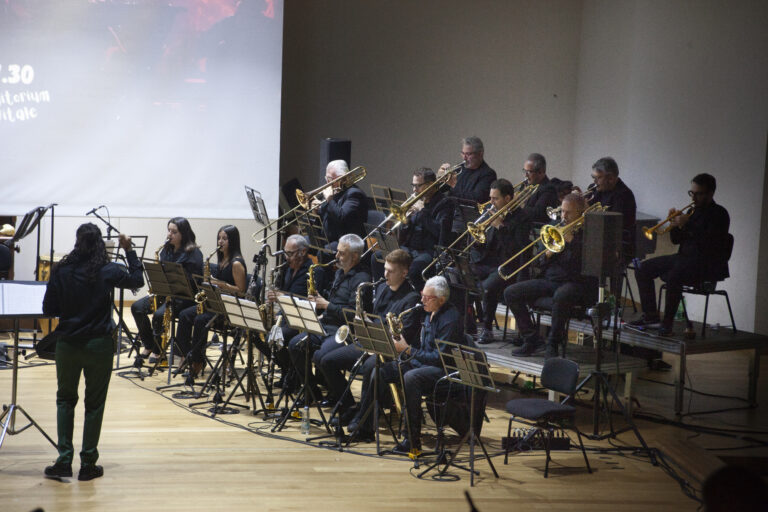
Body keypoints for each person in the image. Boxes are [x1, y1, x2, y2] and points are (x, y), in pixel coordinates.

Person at [42, 224, 144, 480]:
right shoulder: (108, 270)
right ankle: (88, 464)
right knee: (94, 404)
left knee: (65, 400)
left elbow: (48, 309)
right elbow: (137, 280)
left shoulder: (61, 270)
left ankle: (64, 460)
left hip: (68, 345)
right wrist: (128, 250)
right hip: (99, 345)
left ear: (77, 242)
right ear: (100, 244)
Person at [348, 276, 462, 453]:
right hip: (423, 362)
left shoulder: (450, 319)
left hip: (444, 370)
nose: (422, 300)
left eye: (427, 297)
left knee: (411, 378)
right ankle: (365, 428)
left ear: (441, 300)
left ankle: (412, 440)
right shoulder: (427, 311)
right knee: (380, 371)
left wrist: (407, 350)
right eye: (422, 295)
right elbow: (424, 349)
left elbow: (439, 358)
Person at [319, 249, 420, 427]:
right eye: (385, 269)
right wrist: (364, 322)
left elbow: (404, 336)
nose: (385, 274)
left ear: (404, 273)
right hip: (369, 342)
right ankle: (349, 406)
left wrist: (373, 328)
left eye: (391, 271)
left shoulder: (411, 299)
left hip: (390, 350)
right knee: (327, 361)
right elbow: (375, 317)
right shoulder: (382, 287)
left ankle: (364, 421)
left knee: (369, 367)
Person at [629, 173, 730, 336]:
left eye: (698, 194)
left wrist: (688, 224)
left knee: (675, 274)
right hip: (683, 259)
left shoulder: (719, 214)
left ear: (711, 193)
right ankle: (651, 317)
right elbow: (676, 240)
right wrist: (674, 224)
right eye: (692, 193)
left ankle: (667, 325)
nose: (694, 198)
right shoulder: (692, 211)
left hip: (706, 263)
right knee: (642, 268)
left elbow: (711, 244)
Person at [503, 194, 598, 357]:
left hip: (576, 283)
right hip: (550, 280)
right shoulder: (554, 227)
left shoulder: (590, 232)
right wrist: (546, 255)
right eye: (562, 212)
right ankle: (532, 339)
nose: (564, 216)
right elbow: (538, 263)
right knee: (511, 292)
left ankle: (553, 344)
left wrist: (572, 243)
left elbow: (589, 266)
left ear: (581, 213)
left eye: (568, 213)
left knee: (561, 296)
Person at [286, 234, 370, 403]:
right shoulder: (339, 274)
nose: (336, 256)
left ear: (354, 256)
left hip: (345, 331)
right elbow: (331, 303)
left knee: (321, 356)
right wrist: (319, 302)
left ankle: (345, 401)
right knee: (294, 345)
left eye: (341, 253)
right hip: (327, 324)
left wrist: (326, 305)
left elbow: (354, 314)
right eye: (337, 252)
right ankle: (311, 391)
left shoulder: (362, 280)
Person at [175, 225, 247, 383]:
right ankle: (187, 355)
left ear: (233, 241)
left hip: (229, 309)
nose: (220, 241)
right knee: (184, 315)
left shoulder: (236, 263)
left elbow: (241, 291)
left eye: (225, 239)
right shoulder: (222, 260)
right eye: (219, 238)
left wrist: (222, 285)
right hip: (216, 304)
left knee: (201, 320)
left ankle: (198, 362)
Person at [131, 217, 203, 367]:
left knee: (158, 314)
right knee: (136, 307)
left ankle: (159, 351)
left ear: (184, 233)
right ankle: (149, 344)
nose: (169, 234)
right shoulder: (166, 250)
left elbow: (194, 283)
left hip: (183, 298)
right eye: (169, 230)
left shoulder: (194, 253)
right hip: (164, 293)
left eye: (174, 232)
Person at [371, 167, 454, 290]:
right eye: (413, 185)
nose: (414, 190)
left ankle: (412, 298)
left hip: (428, 250)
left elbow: (440, 232)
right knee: (377, 256)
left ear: (431, 185)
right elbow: (404, 235)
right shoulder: (417, 201)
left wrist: (423, 211)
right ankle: (383, 292)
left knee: (415, 269)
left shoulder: (445, 203)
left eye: (418, 186)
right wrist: (406, 220)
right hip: (409, 248)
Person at [471, 179, 531, 344]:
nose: (491, 202)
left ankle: (487, 328)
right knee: (458, 276)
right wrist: (478, 241)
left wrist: (501, 228)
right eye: (491, 198)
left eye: (495, 199)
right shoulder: (491, 213)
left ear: (507, 198)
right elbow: (485, 245)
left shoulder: (522, 218)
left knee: (488, 288)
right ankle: (467, 326)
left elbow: (517, 250)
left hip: (509, 267)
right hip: (488, 263)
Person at [259, 234, 312, 390]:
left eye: (290, 253)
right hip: (285, 317)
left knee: (273, 337)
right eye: (285, 253)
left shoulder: (312, 271)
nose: (286, 257)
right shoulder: (287, 270)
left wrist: (280, 297)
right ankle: (287, 370)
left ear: (302, 252)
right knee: (256, 334)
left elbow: (305, 300)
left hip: (301, 320)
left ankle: (291, 372)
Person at [438, 136, 497, 233]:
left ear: (480, 154)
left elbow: (475, 199)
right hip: (450, 213)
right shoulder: (460, 168)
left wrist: (454, 185)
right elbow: (440, 190)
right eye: (463, 153)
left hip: (467, 220)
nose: (464, 158)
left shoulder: (488, 174)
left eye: (468, 154)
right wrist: (440, 178)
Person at [588, 157, 637, 264]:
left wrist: (585, 209)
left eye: (598, 178)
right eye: (593, 177)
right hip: (597, 238)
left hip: (617, 244)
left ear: (610, 178)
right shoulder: (595, 188)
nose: (594, 182)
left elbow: (612, 226)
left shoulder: (624, 195)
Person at [316, 159, 369, 244]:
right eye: (327, 178)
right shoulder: (337, 191)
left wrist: (329, 199)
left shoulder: (355, 194)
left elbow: (341, 217)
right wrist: (318, 209)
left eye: (331, 179)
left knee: (322, 253)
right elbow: (327, 213)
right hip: (331, 239)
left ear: (343, 178)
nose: (327, 182)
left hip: (347, 243)